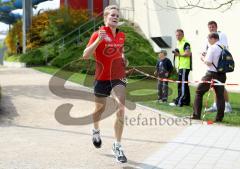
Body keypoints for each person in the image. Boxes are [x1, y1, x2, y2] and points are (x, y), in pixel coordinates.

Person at [82, 5, 127, 163]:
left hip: (118, 77)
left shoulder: (121, 35)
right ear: (105, 18)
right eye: (112, 15)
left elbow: (120, 51)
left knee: (121, 108)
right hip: (101, 78)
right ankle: (95, 129)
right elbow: (85, 55)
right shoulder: (97, 34)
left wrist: (123, 59)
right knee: (99, 110)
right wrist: (99, 40)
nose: (115, 17)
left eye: (117, 15)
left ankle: (117, 145)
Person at [192, 32, 226, 122]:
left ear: (213, 38)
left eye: (209, 39)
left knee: (198, 92)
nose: (208, 41)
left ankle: (196, 115)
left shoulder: (212, 47)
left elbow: (209, 62)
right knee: (220, 96)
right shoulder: (223, 47)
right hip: (222, 74)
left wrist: (203, 58)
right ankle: (219, 118)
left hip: (211, 74)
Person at [202, 21, 232, 113]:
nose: (211, 28)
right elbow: (208, 49)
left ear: (216, 27)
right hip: (211, 65)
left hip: (220, 65)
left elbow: (223, 48)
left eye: (213, 27)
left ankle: (227, 106)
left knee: (220, 86)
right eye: (210, 27)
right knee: (214, 86)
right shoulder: (208, 37)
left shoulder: (221, 35)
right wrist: (205, 54)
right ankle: (216, 105)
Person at [169, 29, 192, 107]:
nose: (177, 36)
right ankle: (186, 101)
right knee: (184, 85)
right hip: (181, 66)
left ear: (183, 35)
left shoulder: (186, 43)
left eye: (179, 35)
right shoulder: (178, 43)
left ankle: (179, 101)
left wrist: (178, 54)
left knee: (181, 84)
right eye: (176, 35)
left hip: (184, 66)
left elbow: (188, 54)